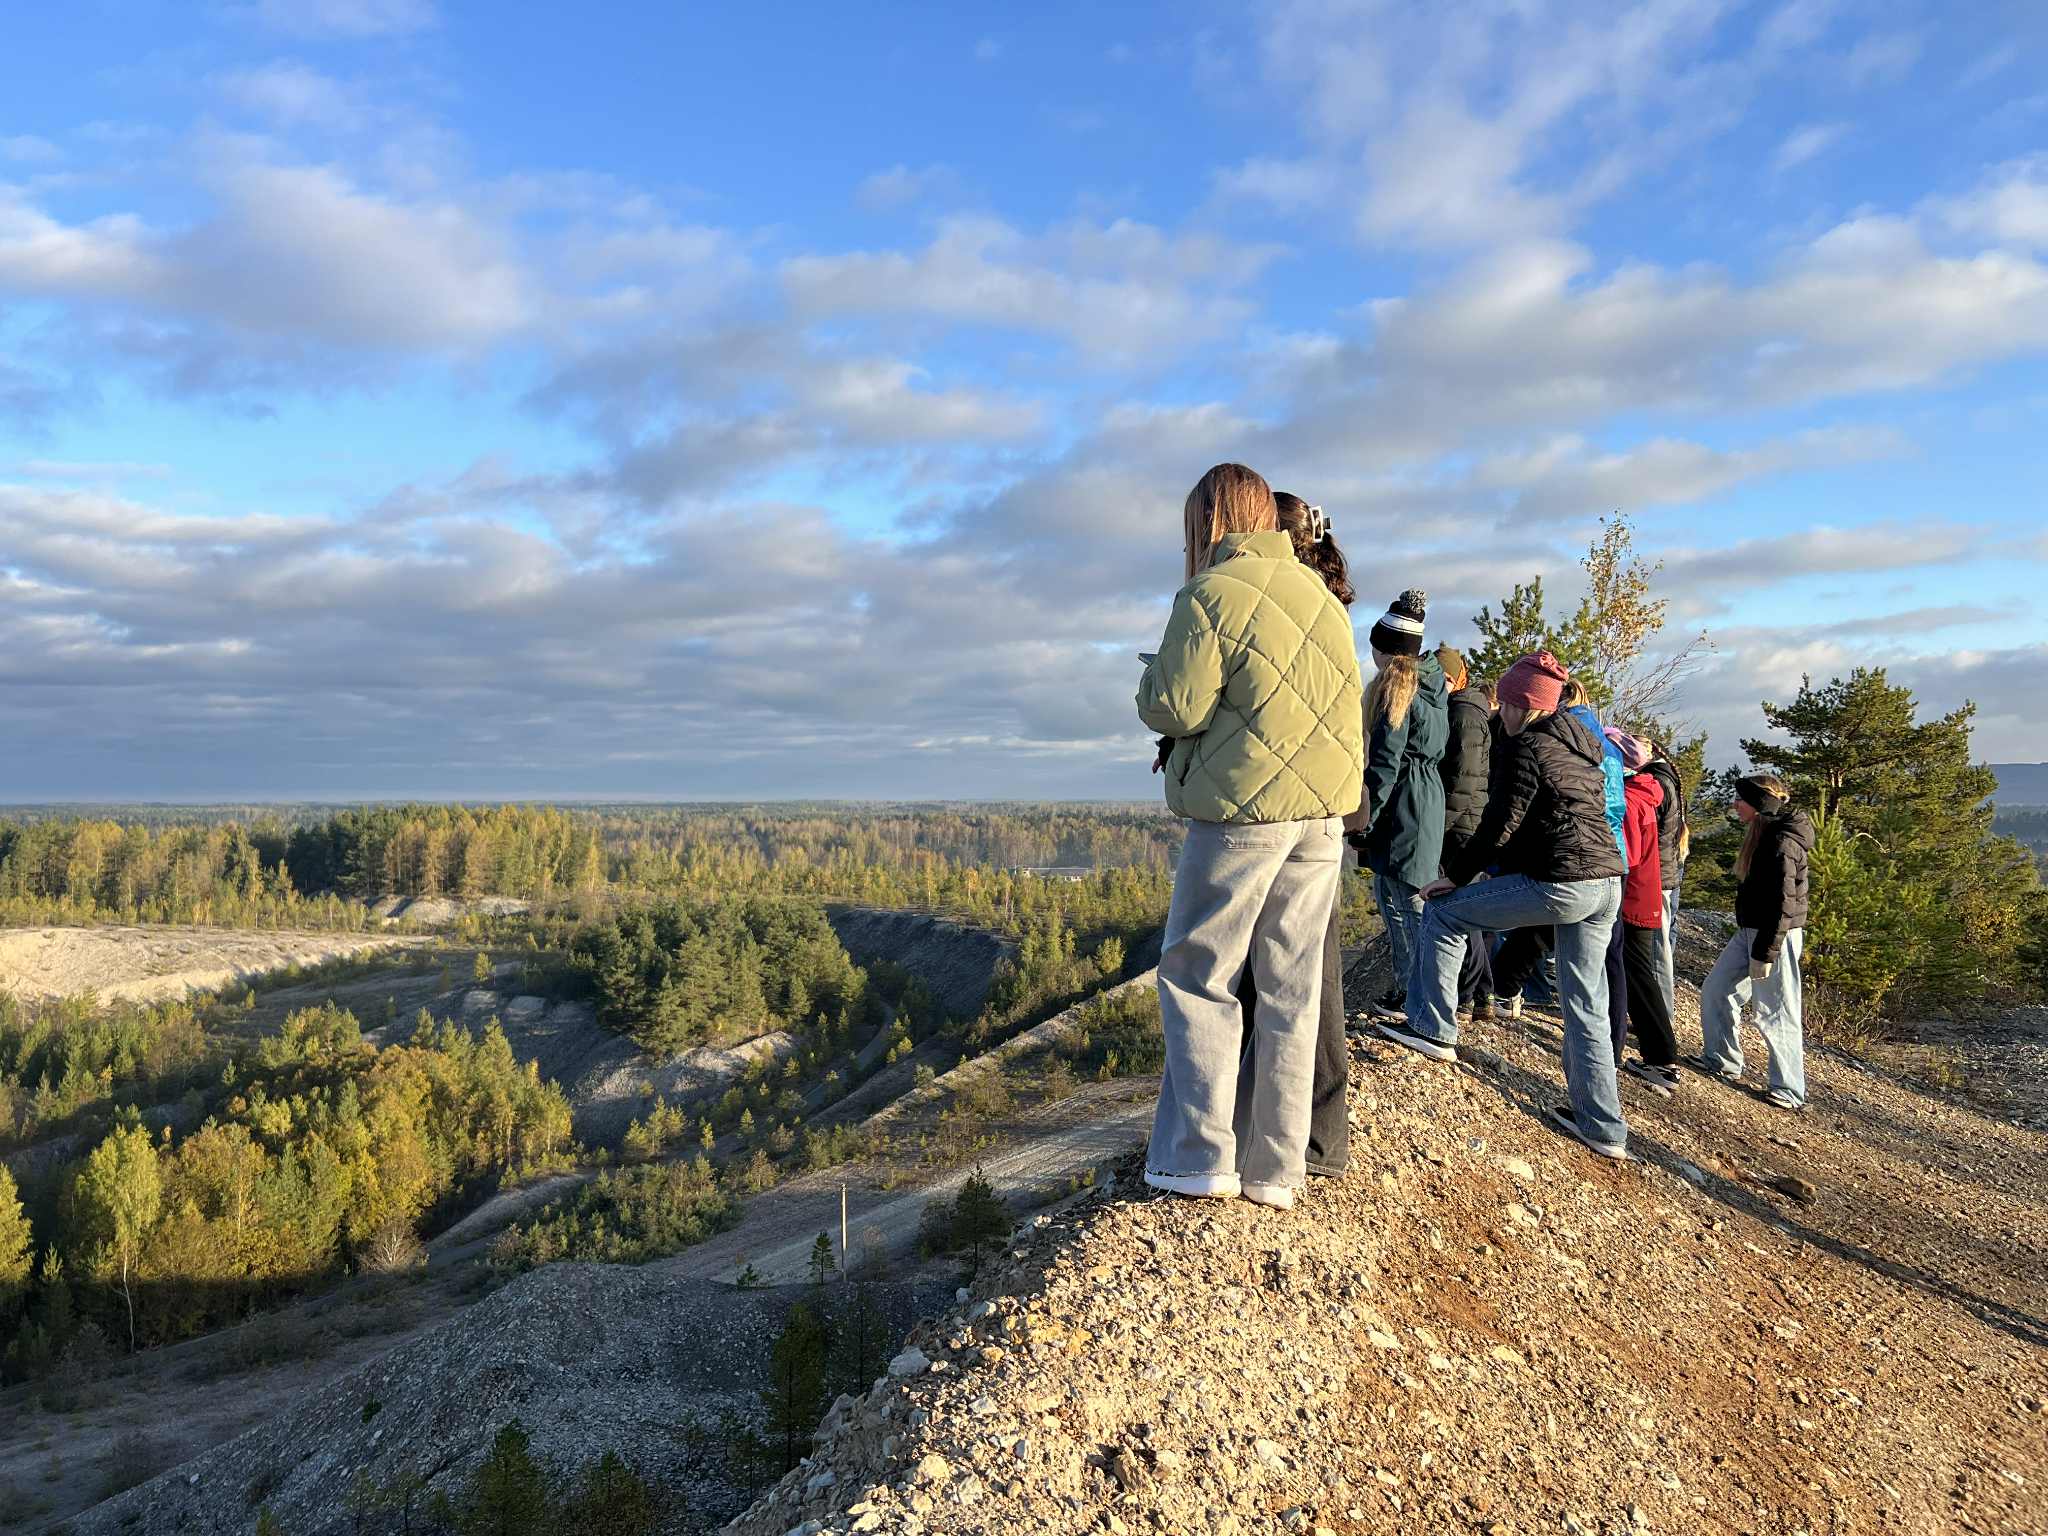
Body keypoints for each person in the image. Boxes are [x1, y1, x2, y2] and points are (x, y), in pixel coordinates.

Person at [1139, 464, 1365, 1208]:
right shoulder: (1324, 599)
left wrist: (1149, 677)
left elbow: (1173, 706)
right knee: (1292, 989)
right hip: (1322, 820)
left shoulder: (1209, 594)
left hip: (1241, 816)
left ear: (1208, 519)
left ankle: (1200, 1157)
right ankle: (1276, 1168)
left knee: (1200, 977)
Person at [1378, 652, 1630, 1160]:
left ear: (1521, 704)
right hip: (1607, 883)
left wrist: (1455, 877)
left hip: (1563, 882)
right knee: (1585, 1004)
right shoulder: (1582, 743)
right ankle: (1603, 1128)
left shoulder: (1527, 747)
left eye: (1508, 702)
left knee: (1446, 914)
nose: (1502, 712)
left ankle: (1431, 1027)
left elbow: (1500, 823)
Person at [1234, 492, 1357, 1179]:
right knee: (1312, 974)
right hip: (1323, 811)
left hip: (1275, 812)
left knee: (1274, 981)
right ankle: (1313, 1142)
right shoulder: (1327, 610)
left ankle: (1278, 1141)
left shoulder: (1281, 604)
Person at [1348, 590, 1447, 1022]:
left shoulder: (1397, 692)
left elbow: (1385, 765)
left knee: (1406, 906)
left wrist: (1363, 821)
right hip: (1426, 800)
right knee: (1403, 903)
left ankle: (1420, 1003)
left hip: (1404, 804)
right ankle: (1414, 994)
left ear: (1386, 649)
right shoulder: (1434, 687)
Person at [1690, 773, 1814, 1110]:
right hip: (1751, 931)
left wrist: (1766, 953)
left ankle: (1788, 1089)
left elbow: (1784, 906)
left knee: (1776, 1011)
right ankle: (1722, 1061)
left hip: (1775, 936)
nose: (1734, 804)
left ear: (1758, 805)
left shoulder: (1782, 843)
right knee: (1717, 989)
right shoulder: (1763, 833)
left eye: (1740, 799)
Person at [1606, 730, 1678, 1095]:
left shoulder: (1632, 799)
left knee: (1635, 974)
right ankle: (1659, 1057)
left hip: (1632, 897)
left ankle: (1661, 1059)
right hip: (1642, 893)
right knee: (1635, 973)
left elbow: (1627, 856)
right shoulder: (1643, 792)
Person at [1435, 647, 1494, 1019]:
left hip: (1461, 826)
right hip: (1464, 822)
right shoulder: (1463, 711)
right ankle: (1481, 991)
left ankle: (1468, 993)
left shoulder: (1463, 714)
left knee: (1462, 909)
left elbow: (1462, 781)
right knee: (1468, 907)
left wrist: (1437, 825)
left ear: (1457, 679)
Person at [1642, 743, 1689, 1018]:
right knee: (1665, 938)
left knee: (1658, 945)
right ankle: (1660, 1011)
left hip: (1659, 871)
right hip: (1670, 867)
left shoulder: (1657, 782)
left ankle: (1661, 1014)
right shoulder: (1670, 777)